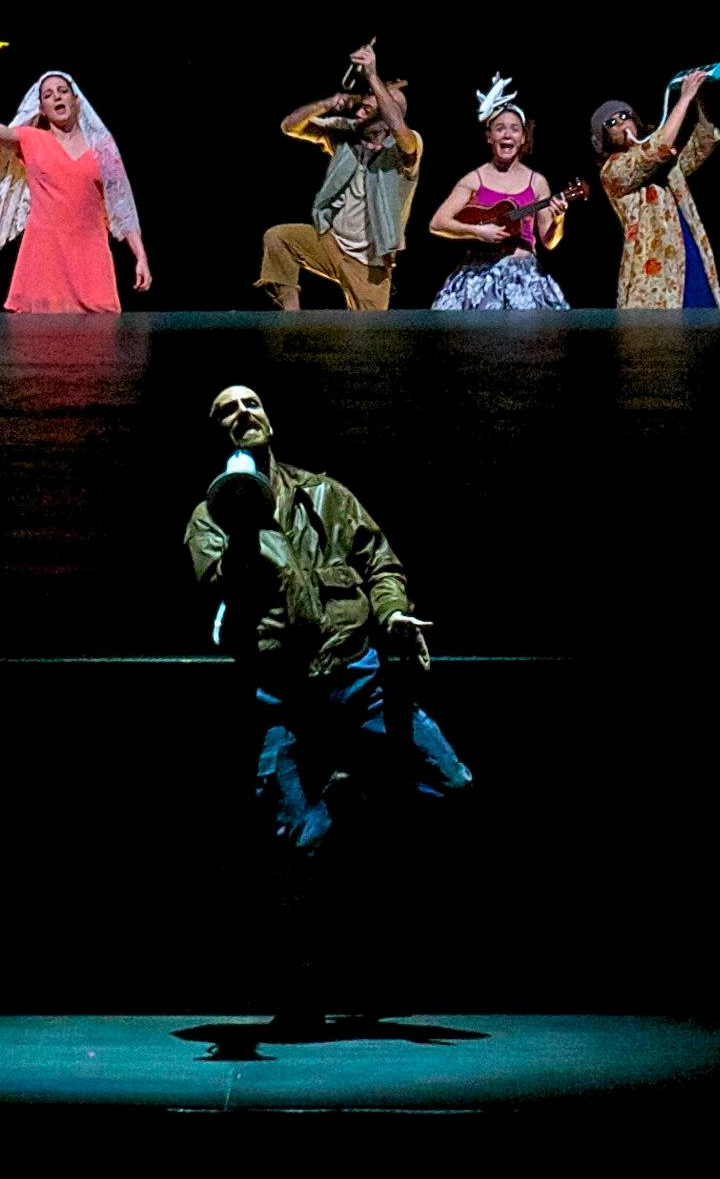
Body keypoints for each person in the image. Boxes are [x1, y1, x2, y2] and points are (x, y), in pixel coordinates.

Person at [186, 385, 471, 1025]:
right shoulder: (210, 519)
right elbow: (221, 589)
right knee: (298, 841)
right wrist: (242, 528)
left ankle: (352, 795)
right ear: (217, 435)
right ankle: (304, 985)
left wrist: (392, 613)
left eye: (251, 402)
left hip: (357, 678)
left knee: (449, 783)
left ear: (268, 416)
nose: (243, 413)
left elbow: (380, 563)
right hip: (285, 695)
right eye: (226, 409)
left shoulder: (326, 495)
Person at [0, 33, 150, 312]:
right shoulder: (31, 139)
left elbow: (122, 205)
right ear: (42, 109)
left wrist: (141, 257)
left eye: (62, 91)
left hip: (91, 264)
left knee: (98, 337)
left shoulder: (102, 148)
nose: (57, 97)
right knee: (37, 337)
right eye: (48, 95)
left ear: (76, 100)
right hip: (43, 263)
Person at [259, 41, 422, 311]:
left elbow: (397, 124)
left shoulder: (407, 146)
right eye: (362, 104)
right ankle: (291, 318)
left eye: (369, 108)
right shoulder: (345, 133)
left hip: (369, 264)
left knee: (370, 334)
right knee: (279, 238)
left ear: (386, 117)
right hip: (331, 242)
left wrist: (372, 74)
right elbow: (290, 126)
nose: (360, 110)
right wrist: (328, 103)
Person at [427, 74, 573, 309]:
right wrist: (478, 232)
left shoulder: (537, 182)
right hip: (478, 275)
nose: (507, 134)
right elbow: (437, 223)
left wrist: (559, 218)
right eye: (500, 129)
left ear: (523, 138)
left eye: (514, 129)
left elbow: (550, 241)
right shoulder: (474, 180)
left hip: (524, 276)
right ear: (489, 137)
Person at [593, 67, 720, 309]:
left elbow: (702, 145)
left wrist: (699, 98)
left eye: (625, 116)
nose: (621, 123)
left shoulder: (665, 162)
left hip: (690, 258)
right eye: (611, 123)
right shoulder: (613, 171)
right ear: (604, 137)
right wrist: (684, 97)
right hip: (652, 276)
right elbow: (654, 150)